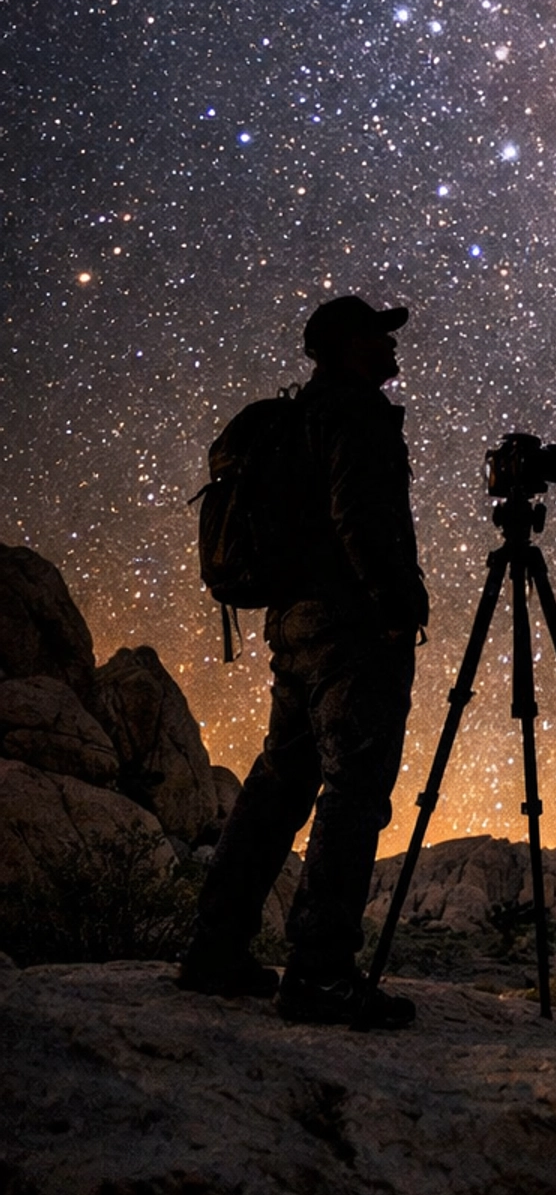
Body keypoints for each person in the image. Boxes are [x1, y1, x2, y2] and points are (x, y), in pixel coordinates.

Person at [178, 295, 429, 1028]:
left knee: (278, 785)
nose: (391, 346)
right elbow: (362, 518)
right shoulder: (356, 414)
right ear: (349, 346)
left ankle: (214, 950)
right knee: (353, 792)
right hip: (351, 631)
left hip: (293, 628)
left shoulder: (296, 418)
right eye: (379, 335)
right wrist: (396, 607)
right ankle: (319, 974)